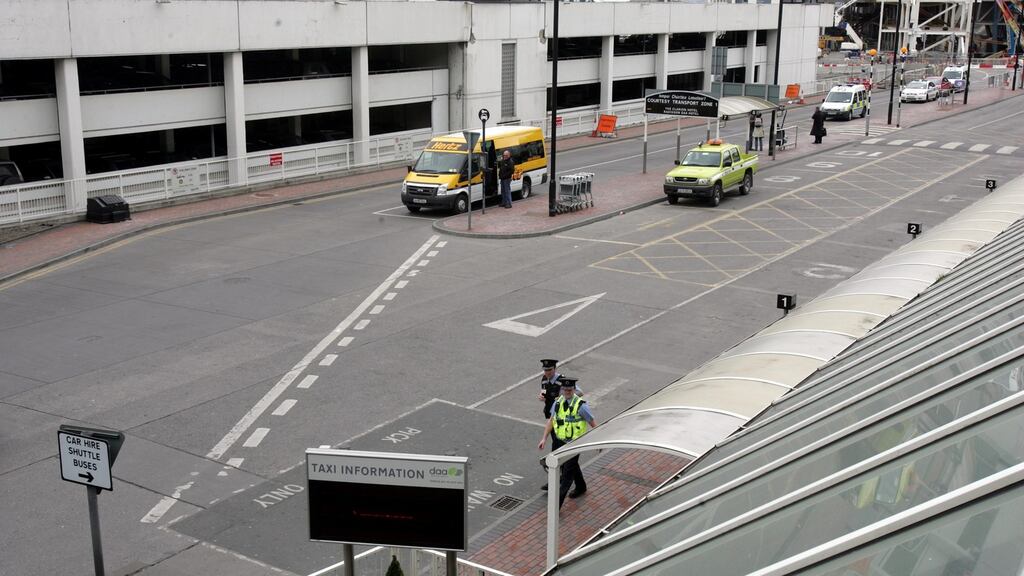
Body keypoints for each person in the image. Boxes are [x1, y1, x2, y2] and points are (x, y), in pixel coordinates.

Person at [538, 377, 598, 507]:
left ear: (574, 390)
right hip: (560, 441)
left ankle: (555, 507)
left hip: (574, 443)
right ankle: (581, 486)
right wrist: (544, 438)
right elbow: (551, 421)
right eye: (565, 390)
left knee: (566, 476)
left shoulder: (581, 406)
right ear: (562, 390)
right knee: (570, 466)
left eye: (570, 390)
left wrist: (598, 441)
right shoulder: (557, 403)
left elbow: (592, 422)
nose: (567, 392)